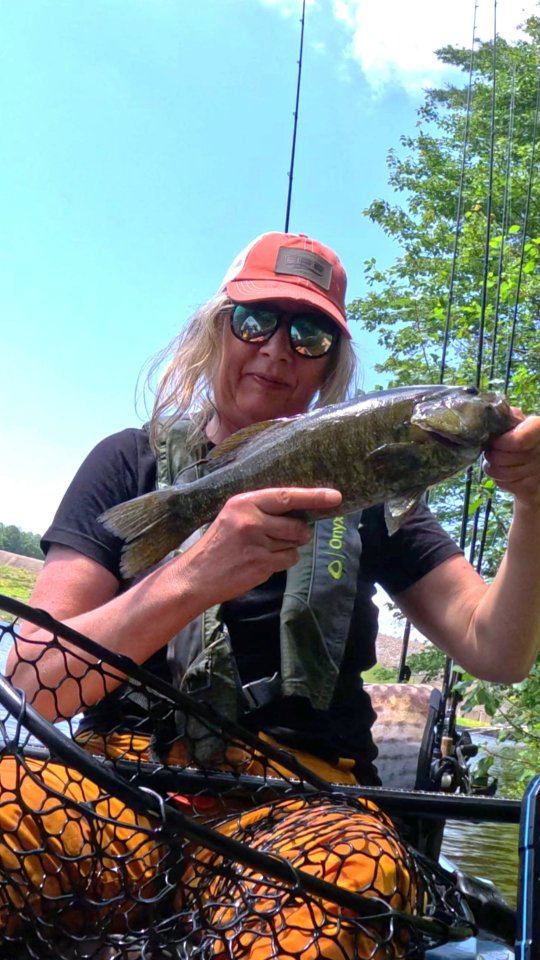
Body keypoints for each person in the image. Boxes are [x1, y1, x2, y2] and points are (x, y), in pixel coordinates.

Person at [4, 230, 540, 958]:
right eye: (254, 320)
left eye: (310, 332)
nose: (278, 348)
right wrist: (193, 575)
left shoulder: (381, 487)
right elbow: (33, 681)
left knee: (349, 885)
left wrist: (535, 505)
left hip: (305, 806)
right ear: (213, 330)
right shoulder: (128, 463)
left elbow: (498, 650)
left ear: (332, 363)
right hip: (117, 786)